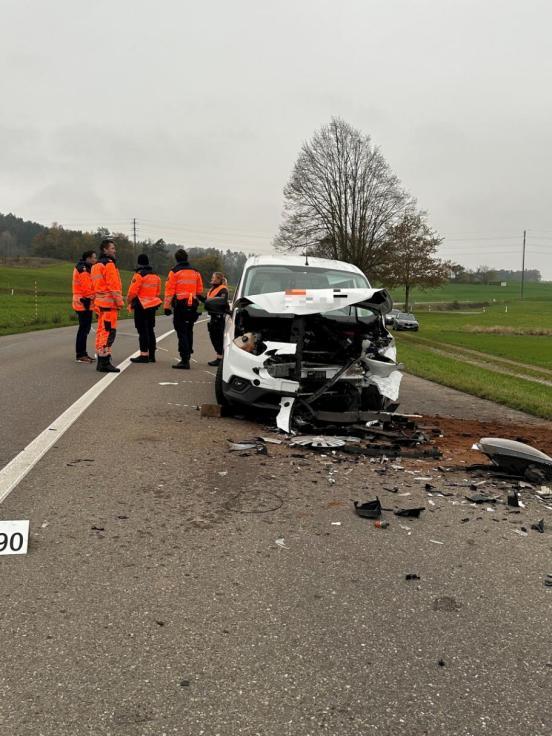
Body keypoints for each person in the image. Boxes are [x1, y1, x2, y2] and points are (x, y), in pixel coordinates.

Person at [163, 249, 203, 369]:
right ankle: (188, 353)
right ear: (187, 258)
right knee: (189, 330)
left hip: (180, 305)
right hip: (192, 304)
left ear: (177, 259)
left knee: (181, 332)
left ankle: (184, 360)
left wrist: (166, 307)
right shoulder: (196, 272)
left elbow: (169, 291)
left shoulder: (174, 272)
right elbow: (199, 290)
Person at [91, 237, 124, 373]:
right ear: (105, 250)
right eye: (112, 248)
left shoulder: (95, 266)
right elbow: (114, 286)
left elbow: (94, 286)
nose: (114, 251)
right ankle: (105, 362)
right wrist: (120, 302)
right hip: (109, 304)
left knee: (101, 332)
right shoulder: (109, 265)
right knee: (109, 332)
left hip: (100, 303)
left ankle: (101, 360)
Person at [127, 254, 162, 363]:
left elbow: (132, 292)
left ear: (139, 263)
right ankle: (152, 355)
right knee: (150, 330)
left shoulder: (139, 275)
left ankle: (144, 355)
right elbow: (158, 291)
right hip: (152, 306)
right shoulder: (156, 275)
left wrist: (129, 301)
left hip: (141, 306)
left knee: (142, 330)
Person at [198, 272, 229, 367]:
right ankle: (219, 357)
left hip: (219, 317)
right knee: (213, 337)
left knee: (218, 338)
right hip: (213, 316)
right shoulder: (212, 289)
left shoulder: (223, 289)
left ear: (219, 279)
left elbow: (222, 301)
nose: (212, 279)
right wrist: (198, 295)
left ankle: (220, 358)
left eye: (213, 277)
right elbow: (207, 301)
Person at [72, 249, 97, 363]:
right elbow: (87, 289)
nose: (95, 260)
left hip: (84, 302)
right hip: (83, 303)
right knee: (83, 329)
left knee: (85, 329)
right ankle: (80, 354)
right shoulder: (83, 269)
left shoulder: (85, 268)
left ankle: (83, 353)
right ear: (88, 258)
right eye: (94, 257)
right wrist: (96, 297)